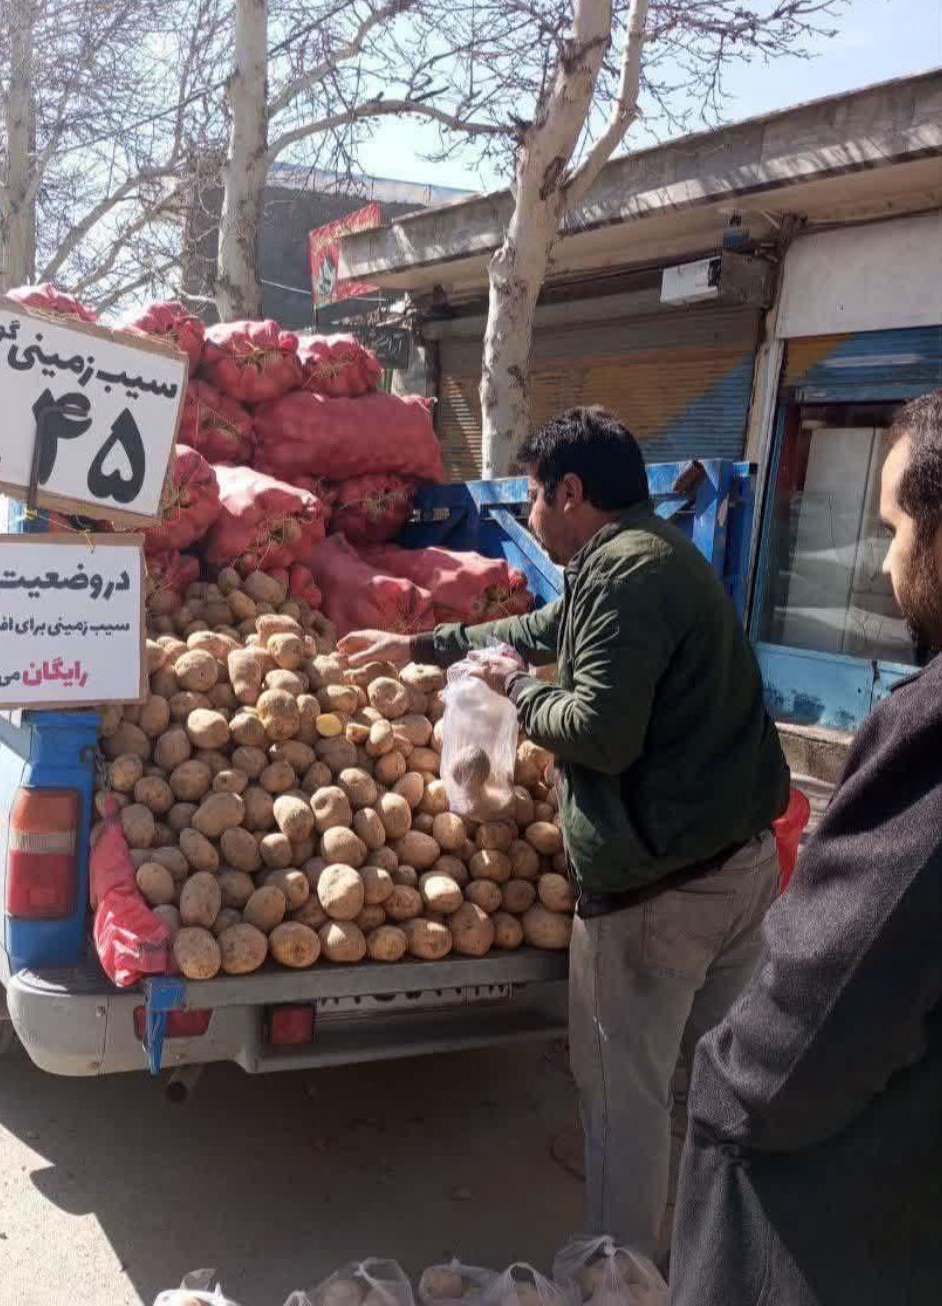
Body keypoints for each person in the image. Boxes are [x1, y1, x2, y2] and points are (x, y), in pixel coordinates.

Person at [340, 406, 789, 1255]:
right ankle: (709, 1259)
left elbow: (599, 734)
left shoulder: (624, 577)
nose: (532, 520)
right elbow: (540, 631)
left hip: (664, 892)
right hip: (737, 869)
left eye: (535, 501)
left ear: (569, 492)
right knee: (707, 1086)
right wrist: (418, 650)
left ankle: (616, 1276)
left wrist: (515, 690)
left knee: (625, 1099)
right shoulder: (649, 557)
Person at [670, 390, 942, 1306]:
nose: (886, 560)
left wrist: (721, 1089)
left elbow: (822, 1008)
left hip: (864, 1223)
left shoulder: (932, 735)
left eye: (898, 526)